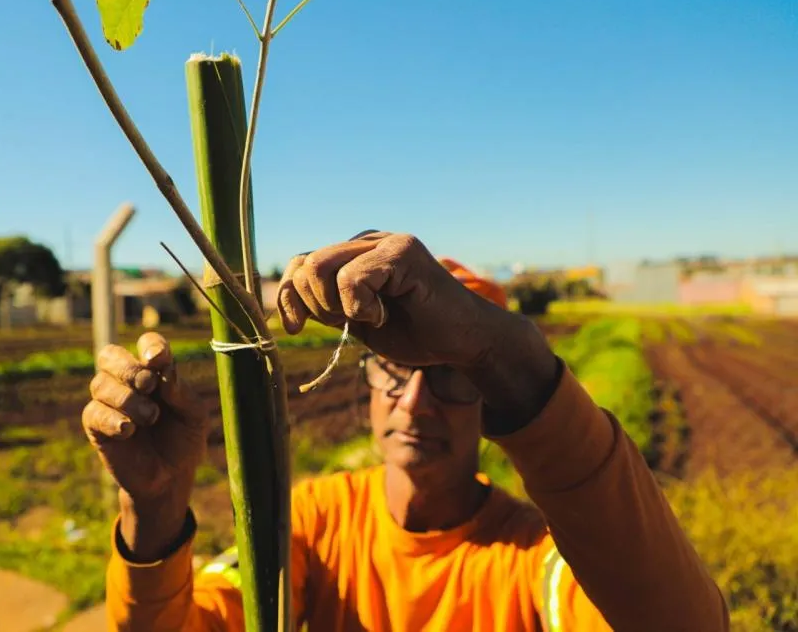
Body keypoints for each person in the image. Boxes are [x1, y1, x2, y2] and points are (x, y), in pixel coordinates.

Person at [82, 231, 728, 631]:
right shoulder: (313, 520)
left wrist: (518, 362)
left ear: (489, 403)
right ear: (366, 378)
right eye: (393, 370)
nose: (415, 402)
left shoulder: (539, 559)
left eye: (452, 377)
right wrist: (155, 511)